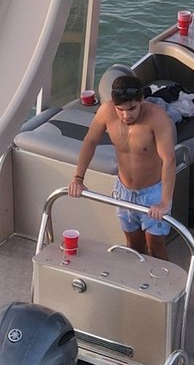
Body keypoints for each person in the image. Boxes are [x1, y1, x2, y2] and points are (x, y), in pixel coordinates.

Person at [67, 68, 177, 258]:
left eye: (132, 109)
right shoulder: (106, 112)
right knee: (133, 246)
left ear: (141, 100)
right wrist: (78, 178)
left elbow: (169, 159)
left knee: (156, 246)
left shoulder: (157, 118)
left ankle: (162, 286)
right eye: (121, 110)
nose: (126, 115)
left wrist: (164, 202)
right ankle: (137, 285)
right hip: (124, 190)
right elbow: (90, 142)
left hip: (154, 192)